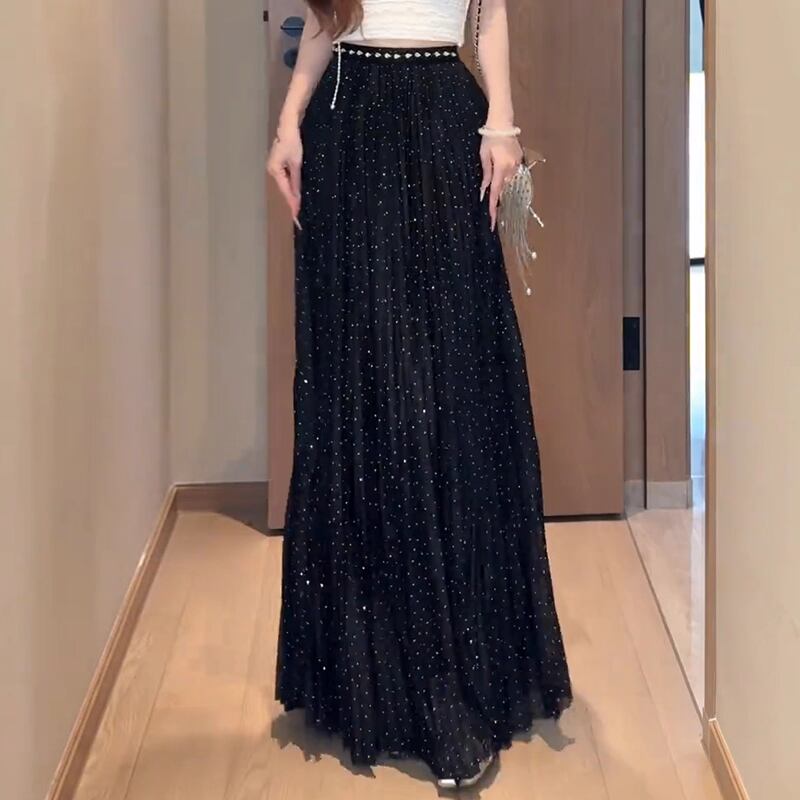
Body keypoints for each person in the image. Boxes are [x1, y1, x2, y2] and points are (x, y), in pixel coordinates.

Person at [267, 0, 572, 788]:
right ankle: (370, 679)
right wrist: (289, 122)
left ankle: (450, 686)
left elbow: (489, 12)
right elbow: (329, 19)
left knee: (446, 388)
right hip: (346, 126)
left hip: (441, 119)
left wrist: (501, 122)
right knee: (361, 388)